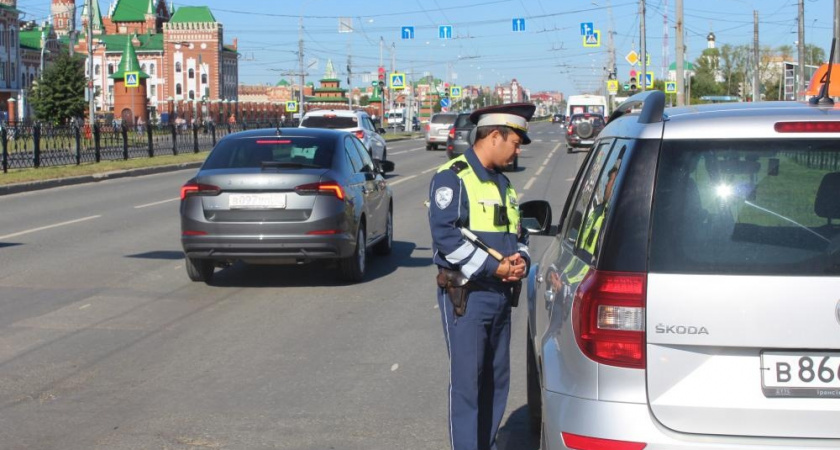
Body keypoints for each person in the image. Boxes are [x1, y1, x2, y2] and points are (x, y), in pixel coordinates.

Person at [428, 102, 535, 450]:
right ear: (494, 136)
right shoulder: (453, 177)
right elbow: (446, 238)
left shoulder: (504, 184)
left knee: (496, 381)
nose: (518, 151)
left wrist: (521, 260)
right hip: (468, 298)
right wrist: (494, 267)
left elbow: (518, 233)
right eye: (515, 143)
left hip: (501, 296)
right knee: (468, 385)